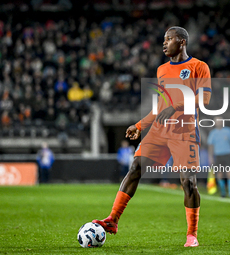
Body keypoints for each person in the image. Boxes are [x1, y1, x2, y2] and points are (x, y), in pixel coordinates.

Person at [93, 26, 212, 247]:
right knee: (135, 167)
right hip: (159, 130)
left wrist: (175, 107)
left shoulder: (199, 67)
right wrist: (140, 125)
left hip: (184, 131)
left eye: (169, 39)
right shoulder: (162, 70)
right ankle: (113, 220)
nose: (164, 43)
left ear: (182, 41)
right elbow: (160, 106)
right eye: (163, 39)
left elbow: (203, 100)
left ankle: (191, 235)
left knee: (188, 182)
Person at [207, 116, 230, 197]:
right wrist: (210, 157)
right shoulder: (213, 133)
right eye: (217, 121)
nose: (219, 123)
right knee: (219, 174)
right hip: (218, 155)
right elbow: (211, 146)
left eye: (220, 121)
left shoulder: (228, 131)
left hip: (228, 154)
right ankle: (223, 192)